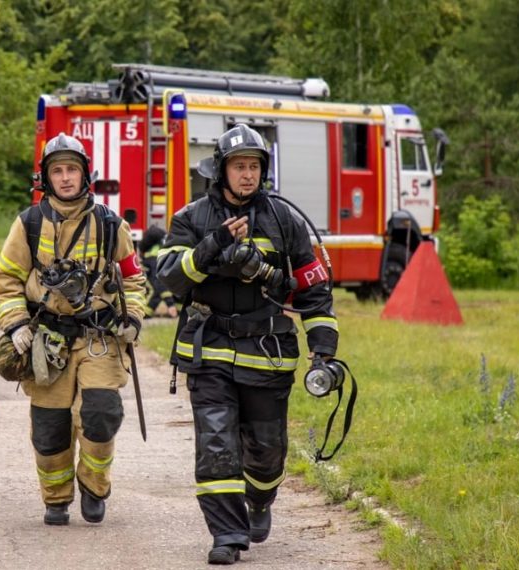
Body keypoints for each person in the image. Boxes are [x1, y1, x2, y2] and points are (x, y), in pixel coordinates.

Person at [157, 124, 339, 565]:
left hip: (269, 354)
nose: (247, 175)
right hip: (211, 351)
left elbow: (314, 292)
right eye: (239, 166)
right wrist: (214, 243)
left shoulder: (285, 220)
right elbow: (167, 277)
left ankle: (259, 499)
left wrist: (323, 353)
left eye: (254, 166)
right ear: (220, 171)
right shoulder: (192, 218)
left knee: (266, 452)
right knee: (216, 446)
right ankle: (227, 535)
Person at [0, 133, 147, 526]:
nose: (65, 178)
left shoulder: (111, 225)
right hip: (47, 340)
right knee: (50, 427)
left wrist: (133, 319)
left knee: (101, 413)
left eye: (71, 170)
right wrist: (15, 324)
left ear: (85, 175)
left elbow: (133, 280)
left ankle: (94, 486)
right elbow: (6, 280)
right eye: (57, 170)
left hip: (99, 337)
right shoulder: (27, 224)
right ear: (46, 176)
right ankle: (56, 498)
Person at [139, 225, 178, 318]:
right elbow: (159, 283)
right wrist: (170, 304)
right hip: (141, 308)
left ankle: (147, 312)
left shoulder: (153, 258)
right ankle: (145, 312)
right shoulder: (155, 260)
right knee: (157, 288)